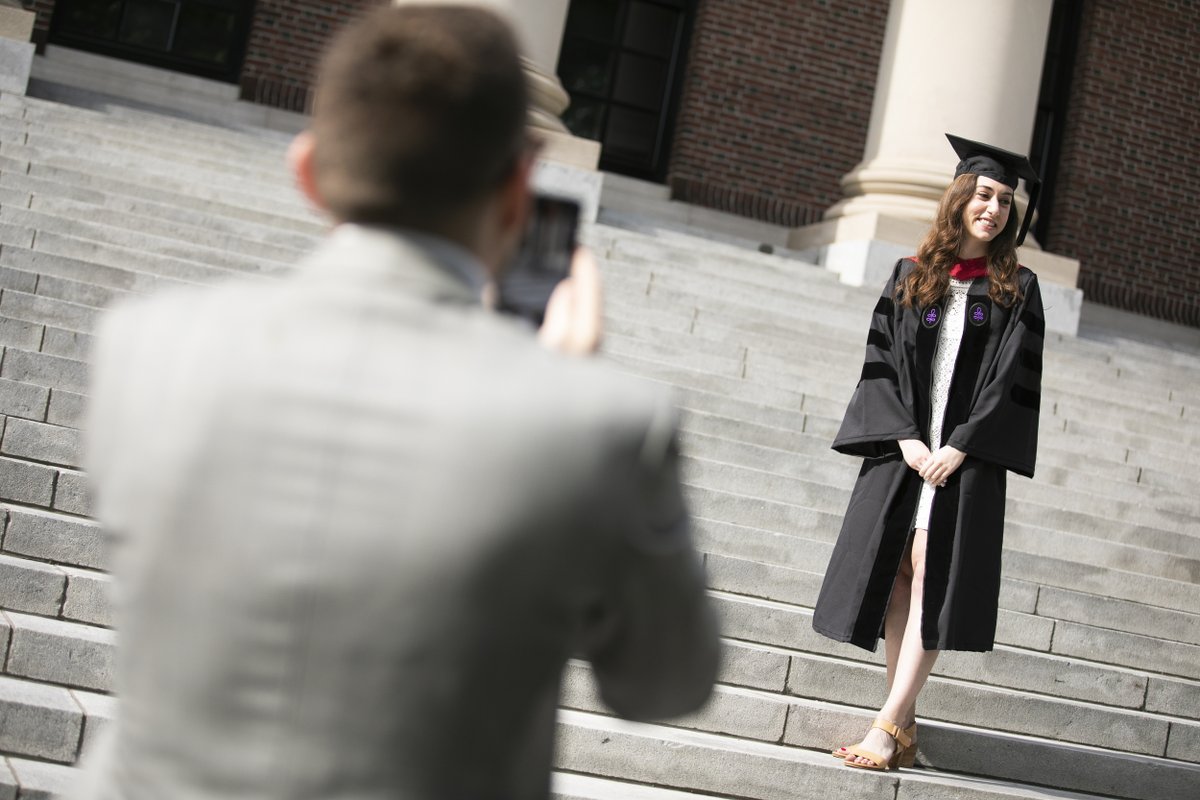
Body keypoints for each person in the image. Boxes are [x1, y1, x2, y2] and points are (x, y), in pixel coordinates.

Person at [72, 5, 719, 799]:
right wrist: (567, 390)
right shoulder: (599, 425)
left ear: (307, 172)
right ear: (519, 191)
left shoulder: (142, 346)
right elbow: (664, 686)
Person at [812, 133, 1045, 771]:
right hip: (907, 453)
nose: (993, 209)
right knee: (897, 578)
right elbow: (881, 359)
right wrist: (908, 439)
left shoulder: (1017, 288)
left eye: (1003, 200)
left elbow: (1012, 381)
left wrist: (962, 447)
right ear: (960, 198)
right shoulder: (911, 274)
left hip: (961, 463)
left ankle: (886, 725)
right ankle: (904, 719)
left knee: (929, 567)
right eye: (982, 194)